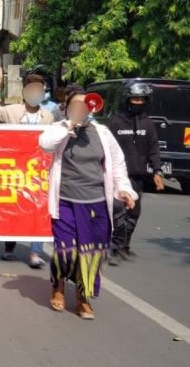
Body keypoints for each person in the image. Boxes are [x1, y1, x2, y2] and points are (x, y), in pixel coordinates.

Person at [39, 89, 137, 320]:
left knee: (91, 254)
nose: (81, 110)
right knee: (66, 249)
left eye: (85, 106)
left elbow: (118, 165)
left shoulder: (102, 133)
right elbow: (45, 145)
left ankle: (83, 297)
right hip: (65, 202)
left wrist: (124, 189)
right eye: (76, 106)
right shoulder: (60, 129)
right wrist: (70, 124)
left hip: (96, 204)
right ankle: (58, 286)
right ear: (67, 108)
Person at [0, 70, 54, 266]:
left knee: (39, 209)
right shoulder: (11, 111)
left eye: (39, 89)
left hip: (38, 172)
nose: (35, 93)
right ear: (24, 91)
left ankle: (35, 253)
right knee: (14, 209)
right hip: (15, 171)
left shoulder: (48, 116)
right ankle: (9, 248)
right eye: (32, 89)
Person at [107, 82, 164, 265]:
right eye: (135, 99)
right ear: (127, 99)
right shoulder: (115, 122)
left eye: (141, 99)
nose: (138, 102)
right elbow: (107, 148)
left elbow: (154, 148)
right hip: (118, 175)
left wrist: (157, 170)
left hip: (138, 175)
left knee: (134, 213)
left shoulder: (148, 123)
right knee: (118, 212)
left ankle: (125, 246)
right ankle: (114, 248)